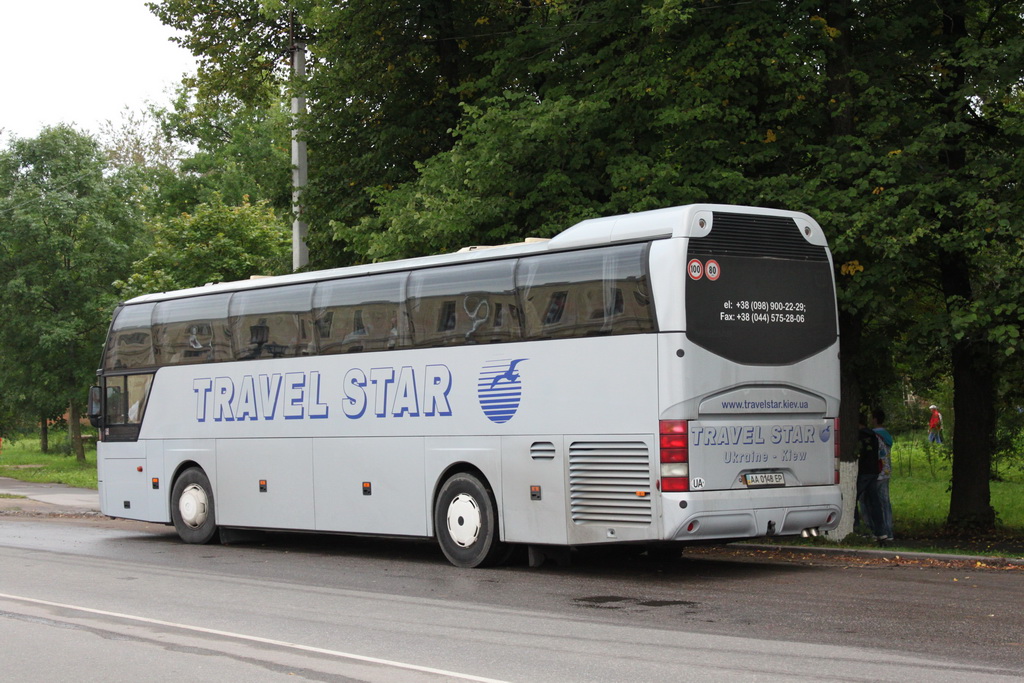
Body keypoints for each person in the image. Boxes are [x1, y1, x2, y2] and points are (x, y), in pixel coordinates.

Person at [855, 413, 883, 538]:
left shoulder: (859, 436)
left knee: (852, 500)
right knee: (874, 502)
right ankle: (881, 531)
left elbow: (859, 455)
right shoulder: (873, 436)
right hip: (874, 471)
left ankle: (855, 528)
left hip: (863, 472)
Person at [872, 408, 894, 542]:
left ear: (875, 419)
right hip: (886, 471)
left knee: (874, 503)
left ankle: (878, 530)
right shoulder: (887, 435)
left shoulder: (873, 435)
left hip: (876, 472)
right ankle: (889, 530)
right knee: (886, 502)